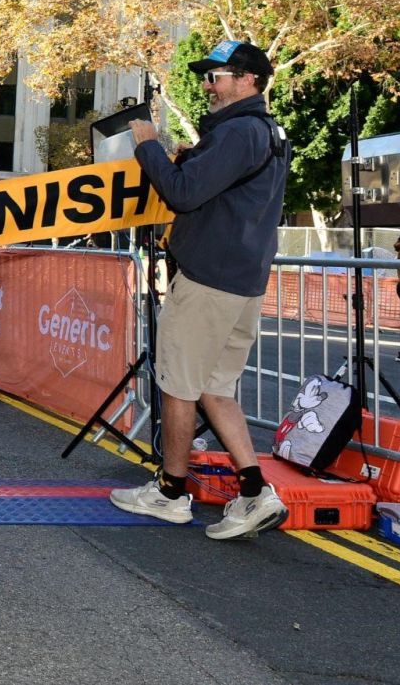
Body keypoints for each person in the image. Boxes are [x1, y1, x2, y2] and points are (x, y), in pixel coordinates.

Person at [112, 39, 290, 540]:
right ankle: (255, 491)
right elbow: (224, 189)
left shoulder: (237, 132)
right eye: (206, 76)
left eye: (217, 76)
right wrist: (195, 158)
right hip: (244, 281)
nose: (207, 85)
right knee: (216, 389)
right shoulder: (267, 131)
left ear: (248, 80)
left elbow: (183, 193)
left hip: (209, 279)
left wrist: (148, 145)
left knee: (179, 385)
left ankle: (170, 493)